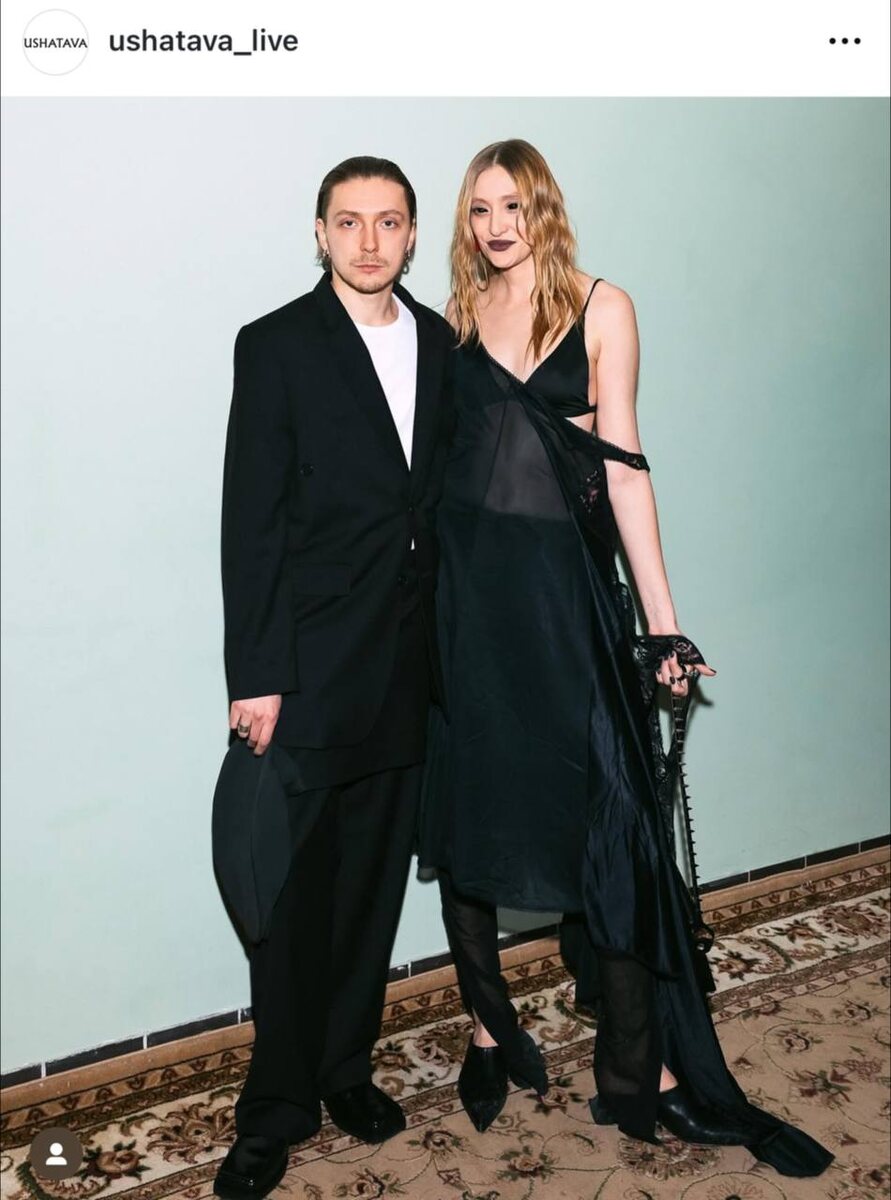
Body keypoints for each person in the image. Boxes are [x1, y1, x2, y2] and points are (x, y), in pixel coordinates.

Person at [418, 139, 833, 1178]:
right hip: (470, 606)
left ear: (545, 209)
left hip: (564, 602)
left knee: (614, 824)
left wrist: (662, 627)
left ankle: (650, 1071)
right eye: (479, 209)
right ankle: (487, 1026)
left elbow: (625, 473)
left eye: (513, 205)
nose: (496, 225)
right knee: (472, 809)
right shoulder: (458, 316)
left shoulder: (603, 307)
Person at [214, 156, 454, 1200]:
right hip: (308, 674)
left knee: (368, 894)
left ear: (411, 235)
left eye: (388, 222)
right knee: (290, 904)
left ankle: (345, 1070)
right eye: (348, 221)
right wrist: (258, 674)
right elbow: (251, 520)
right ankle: (275, 1109)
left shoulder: (439, 343)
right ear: (319, 233)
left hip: (407, 670)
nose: (368, 241)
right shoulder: (275, 344)